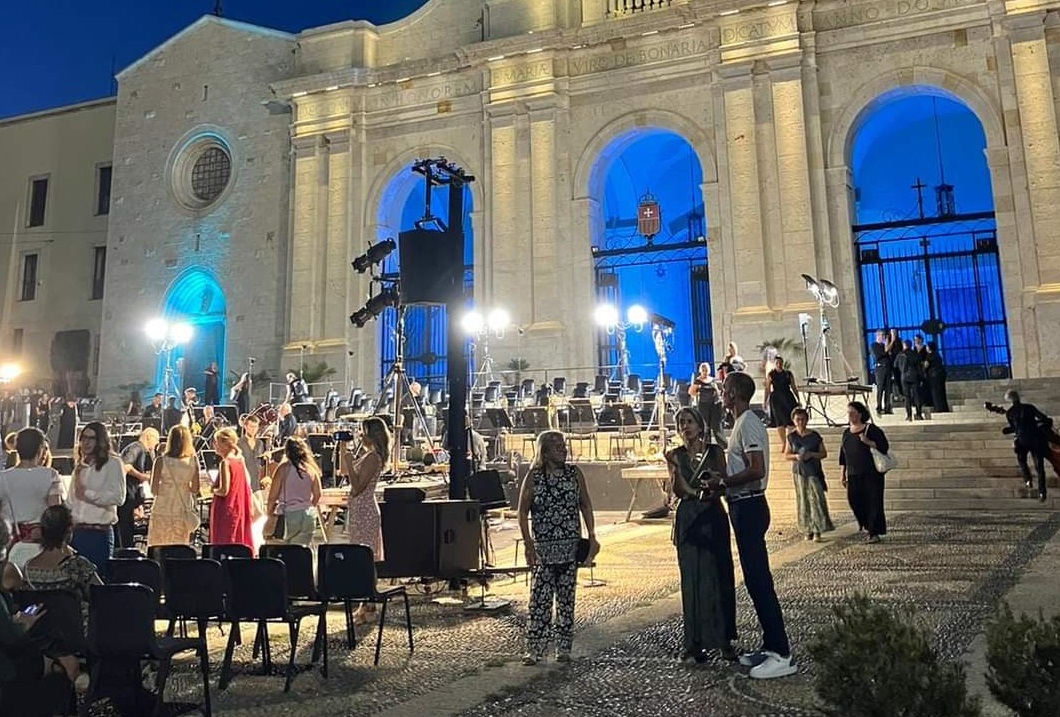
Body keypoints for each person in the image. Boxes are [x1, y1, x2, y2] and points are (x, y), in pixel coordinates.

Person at [706, 371, 795, 679]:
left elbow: (756, 469)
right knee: (756, 580)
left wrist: (725, 480)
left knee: (759, 580)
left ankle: (782, 653)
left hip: (750, 505)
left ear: (736, 393)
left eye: (726, 388)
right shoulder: (741, 423)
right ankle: (771, 645)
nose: (721, 391)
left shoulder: (750, 423)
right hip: (742, 504)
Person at [517, 430, 599, 665]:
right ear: (544, 451)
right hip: (543, 548)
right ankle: (535, 648)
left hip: (569, 546)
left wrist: (592, 535)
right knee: (539, 600)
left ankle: (564, 646)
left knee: (566, 598)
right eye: (556, 446)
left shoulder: (574, 474)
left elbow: (585, 504)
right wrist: (527, 543)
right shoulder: (534, 477)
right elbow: (522, 511)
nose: (563, 449)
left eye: (563, 445)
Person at [665, 407, 737, 663]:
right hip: (689, 517)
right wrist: (697, 492)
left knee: (719, 574)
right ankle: (693, 642)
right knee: (692, 578)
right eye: (681, 422)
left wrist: (713, 485)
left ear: (700, 424)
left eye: (690, 421)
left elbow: (724, 481)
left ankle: (724, 639)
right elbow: (679, 487)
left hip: (713, 516)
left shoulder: (715, 452)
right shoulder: (675, 455)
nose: (686, 426)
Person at [0, 519, 88, 713]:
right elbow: (11, 638)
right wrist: (23, 624)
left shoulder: (28, 567)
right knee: (63, 665)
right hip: (8, 671)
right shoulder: (78, 564)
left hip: (15, 657)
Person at [0, 428, 65, 587]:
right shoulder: (50, 475)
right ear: (40, 449)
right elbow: (54, 514)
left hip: (10, 545)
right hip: (40, 544)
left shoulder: (3, 477)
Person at [339, 418, 389, 622]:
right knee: (362, 558)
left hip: (365, 509)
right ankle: (364, 604)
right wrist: (344, 453)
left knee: (365, 558)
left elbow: (358, 486)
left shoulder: (373, 458)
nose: (360, 435)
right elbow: (345, 473)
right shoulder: (368, 456)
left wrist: (351, 463)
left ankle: (369, 605)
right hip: (359, 510)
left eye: (363, 431)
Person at [21, 505, 103, 625]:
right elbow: (102, 596)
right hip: (75, 634)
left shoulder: (27, 568)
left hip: (40, 637)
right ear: (69, 531)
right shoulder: (76, 565)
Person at [68, 422, 125, 578]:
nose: (86, 442)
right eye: (83, 438)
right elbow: (72, 499)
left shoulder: (113, 463)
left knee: (97, 580)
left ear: (100, 441)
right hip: (77, 533)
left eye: (91, 438)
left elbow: (118, 497)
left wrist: (87, 494)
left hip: (98, 533)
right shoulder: (80, 465)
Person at [839, 401, 890, 542]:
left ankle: (874, 532)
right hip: (853, 473)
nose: (850, 416)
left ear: (860, 414)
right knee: (854, 501)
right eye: (848, 413)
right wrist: (842, 473)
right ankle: (867, 525)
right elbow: (843, 455)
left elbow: (884, 447)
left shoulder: (871, 429)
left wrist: (868, 442)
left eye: (853, 413)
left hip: (871, 473)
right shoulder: (846, 432)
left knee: (873, 502)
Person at [784, 407, 834, 542]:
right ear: (794, 421)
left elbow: (823, 453)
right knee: (803, 500)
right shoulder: (791, 437)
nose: (800, 422)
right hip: (799, 472)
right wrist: (796, 456)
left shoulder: (814, 436)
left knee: (816, 499)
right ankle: (807, 528)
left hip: (813, 471)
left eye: (803, 419)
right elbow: (786, 454)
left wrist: (811, 454)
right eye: (797, 420)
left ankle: (818, 529)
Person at [146, 425, 201, 547]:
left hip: (162, 508)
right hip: (182, 509)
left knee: (158, 546)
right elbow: (195, 489)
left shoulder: (161, 461)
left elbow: (153, 490)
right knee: (179, 547)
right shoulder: (193, 461)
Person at [997, 390, 1053, 502]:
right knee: (1039, 467)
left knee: (1022, 460)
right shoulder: (1029, 407)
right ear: (1018, 397)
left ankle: (1028, 479)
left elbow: (1015, 428)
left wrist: (1006, 430)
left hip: (1022, 440)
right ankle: (1042, 493)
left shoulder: (1010, 413)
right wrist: (1039, 424)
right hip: (1035, 438)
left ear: (1009, 400)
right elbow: (1043, 418)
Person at [266, 436, 321, 547]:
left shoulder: (283, 469)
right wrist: (308, 505)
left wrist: (270, 512)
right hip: (308, 514)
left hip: (289, 514)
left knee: (287, 551)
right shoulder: (311, 469)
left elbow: (272, 496)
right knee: (302, 550)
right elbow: (318, 494)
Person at [209, 427, 253, 551]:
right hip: (239, 506)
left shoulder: (225, 463)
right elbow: (247, 482)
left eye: (217, 442)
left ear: (224, 444)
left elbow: (224, 490)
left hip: (226, 508)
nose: (214, 445)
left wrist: (212, 490)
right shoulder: (240, 460)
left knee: (224, 541)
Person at [116, 427, 159, 550]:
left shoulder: (139, 449)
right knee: (125, 530)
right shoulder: (137, 448)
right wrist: (143, 477)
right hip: (126, 496)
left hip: (130, 495)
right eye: (155, 440)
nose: (155, 444)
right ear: (149, 437)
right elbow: (126, 466)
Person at [763, 356, 800, 453]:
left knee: (790, 421)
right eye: (777, 362)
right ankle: (784, 442)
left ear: (782, 363)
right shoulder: (771, 374)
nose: (779, 364)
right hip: (776, 399)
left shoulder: (788, 374)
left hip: (788, 397)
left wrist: (798, 398)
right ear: (775, 363)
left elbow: (793, 386)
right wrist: (765, 401)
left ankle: (790, 443)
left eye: (780, 362)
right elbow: (767, 388)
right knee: (779, 421)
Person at [689, 362, 726, 447]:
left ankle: (722, 444)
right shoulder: (698, 380)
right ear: (700, 371)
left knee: (716, 425)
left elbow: (718, 391)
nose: (704, 372)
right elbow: (691, 392)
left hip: (714, 405)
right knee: (705, 426)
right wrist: (697, 390)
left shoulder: (712, 380)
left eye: (706, 370)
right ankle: (706, 444)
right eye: (703, 370)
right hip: (703, 405)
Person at [895, 340, 924, 421]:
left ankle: (909, 415)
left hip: (904, 377)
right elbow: (919, 366)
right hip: (914, 376)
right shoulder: (915, 354)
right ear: (910, 345)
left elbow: (895, 365)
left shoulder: (900, 354)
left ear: (904, 345)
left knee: (907, 397)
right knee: (916, 395)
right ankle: (919, 414)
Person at [237, 415, 266, 492]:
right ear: (245, 426)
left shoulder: (260, 443)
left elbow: (261, 462)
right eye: (251, 426)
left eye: (255, 427)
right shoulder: (238, 443)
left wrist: (266, 458)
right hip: (243, 481)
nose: (253, 429)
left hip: (256, 482)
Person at [870, 329, 893, 415]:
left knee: (888, 388)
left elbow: (888, 356)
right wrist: (886, 350)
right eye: (882, 335)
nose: (883, 337)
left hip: (887, 368)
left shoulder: (884, 346)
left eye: (884, 336)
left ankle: (887, 407)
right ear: (878, 335)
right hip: (880, 369)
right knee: (880, 388)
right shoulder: (874, 345)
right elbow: (878, 356)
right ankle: (879, 406)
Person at [924, 342, 949, 413]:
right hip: (941, 375)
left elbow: (926, 365)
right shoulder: (938, 355)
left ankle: (938, 408)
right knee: (942, 392)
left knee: (935, 393)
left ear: (929, 348)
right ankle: (944, 407)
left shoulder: (929, 356)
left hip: (933, 376)